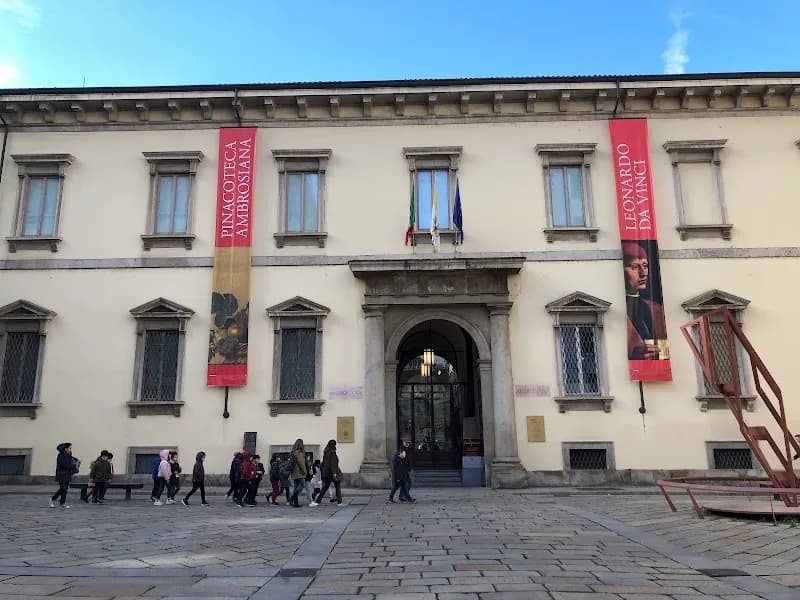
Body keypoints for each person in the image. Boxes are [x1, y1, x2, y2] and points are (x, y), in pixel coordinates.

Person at [622, 241, 668, 361]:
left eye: (645, 265)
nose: (643, 273)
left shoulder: (656, 308)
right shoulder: (620, 309)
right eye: (635, 267)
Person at [50, 442, 80, 508]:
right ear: (65, 449)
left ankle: (62, 503)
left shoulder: (68, 455)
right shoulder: (60, 455)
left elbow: (73, 459)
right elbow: (64, 465)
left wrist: (77, 461)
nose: (70, 449)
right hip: (61, 474)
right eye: (69, 448)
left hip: (67, 474)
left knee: (65, 489)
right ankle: (52, 499)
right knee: (62, 488)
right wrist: (73, 465)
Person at [314, 440, 343, 506]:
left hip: (326, 473)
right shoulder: (332, 453)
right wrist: (334, 474)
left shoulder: (326, 452)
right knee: (337, 486)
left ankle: (318, 501)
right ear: (334, 445)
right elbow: (334, 464)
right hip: (332, 473)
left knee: (324, 487)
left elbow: (323, 463)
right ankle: (339, 501)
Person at [289, 439, 308, 508]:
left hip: (294, 471)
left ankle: (295, 503)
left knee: (296, 486)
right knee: (302, 485)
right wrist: (304, 471)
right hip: (299, 471)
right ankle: (292, 498)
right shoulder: (299, 452)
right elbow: (301, 463)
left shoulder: (293, 451)